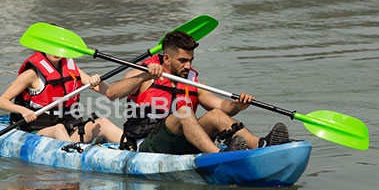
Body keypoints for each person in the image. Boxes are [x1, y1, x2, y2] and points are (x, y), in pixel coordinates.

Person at [105, 31, 290, 154]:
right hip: (148, 144)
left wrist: (237, 105)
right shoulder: (144, 73)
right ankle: (218, 156)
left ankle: (261, 145)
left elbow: (221, 105)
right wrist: (145, 76)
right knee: (184, 111)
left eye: (191, 60)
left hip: (182, 142)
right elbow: (112, 93)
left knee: (216, 115)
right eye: (183, 60)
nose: (188, 66)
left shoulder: (191, 81)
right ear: (167, 59)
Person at [0, 50, 122, 143]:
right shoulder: (31, 74)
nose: (56, 52)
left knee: (103, 123)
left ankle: (132, 146)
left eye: (59, 47)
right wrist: (23, 111)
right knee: (58, 129)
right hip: (38, 133)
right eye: (51, 47)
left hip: (70, 129)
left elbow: (108, 92)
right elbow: (1, 102)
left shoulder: (70, 68)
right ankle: (74, 155)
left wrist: (97, 80)